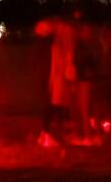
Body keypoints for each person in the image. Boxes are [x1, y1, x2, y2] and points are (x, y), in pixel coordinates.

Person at [34, 15, 77, 146]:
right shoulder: (51, 45)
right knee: (52, 104)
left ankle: (46, 133)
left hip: (50, 76)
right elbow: (56, 62)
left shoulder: (45, 44)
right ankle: (47, 133)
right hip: (52, 76)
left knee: (52, 103)